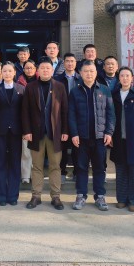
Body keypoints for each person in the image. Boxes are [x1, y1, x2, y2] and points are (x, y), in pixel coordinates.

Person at [22, 58, 69, 210]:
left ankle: (56, 196)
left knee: (55, 166)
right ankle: (36, 196)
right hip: (36, 133)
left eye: (48, 68)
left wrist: (65, 131)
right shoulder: (30, 87)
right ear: (38, 70)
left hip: (55, 133)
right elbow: (25, 111)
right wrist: (27, 131)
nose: (45, 70)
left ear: (52, 70)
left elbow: (65, 111)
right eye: (42, 68)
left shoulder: (59, 86)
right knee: (37, 166)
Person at [69, 60, 115, 211]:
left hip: (100, 137)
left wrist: (109, 132)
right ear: (80, 73)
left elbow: (111, 113)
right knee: (81, 167)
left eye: (92, 71)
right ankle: (81, 195)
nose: (89, 74)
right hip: (81, 138)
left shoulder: (104, 90)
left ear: (96, 73)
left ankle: (100, 196)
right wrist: (74, 133)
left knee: (99, 167)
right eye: (86, 71)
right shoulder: (75, 91)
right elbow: (71, 115)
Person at [111, 67, 134, 212]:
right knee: (121, 170)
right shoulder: (114, 94)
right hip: (118, 138)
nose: (125, 78)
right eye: (122, 76)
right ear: (118, 78)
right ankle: (121, 199)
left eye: (127, 75)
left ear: (132, 78)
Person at [0, 62, 25, 206]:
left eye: (10, 71)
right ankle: (1, 195)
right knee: (0, 163)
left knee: (15, 163)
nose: (7, 73)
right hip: (0, 131)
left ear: (15, 73)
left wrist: (25, 130)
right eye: (5, 71)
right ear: (1, 73)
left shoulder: (21, 89)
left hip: (16, 131)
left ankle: (13, 195)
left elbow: (24, 112)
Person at [55, 52, 81, 181]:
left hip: (78, 117)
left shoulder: (81, 78)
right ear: (63, 63)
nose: (70, 63)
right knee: (62, 146)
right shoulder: (57, 79)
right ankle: (62, 172)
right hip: (61, 117)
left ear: (76, 63)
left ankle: (77, 172)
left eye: (72, 61)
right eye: (67, 61)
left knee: (78, 146)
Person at [17, 59, 37, 183]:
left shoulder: (41, 81)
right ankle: (25, 175)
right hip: (24, 119)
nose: (29, 70)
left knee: (38, 151)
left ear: (35, 69)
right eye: (27, 68)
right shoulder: (18, 83)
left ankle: (36, 174)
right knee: (26, 150)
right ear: (23, 70)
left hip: (38, 121)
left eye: (31, 68)